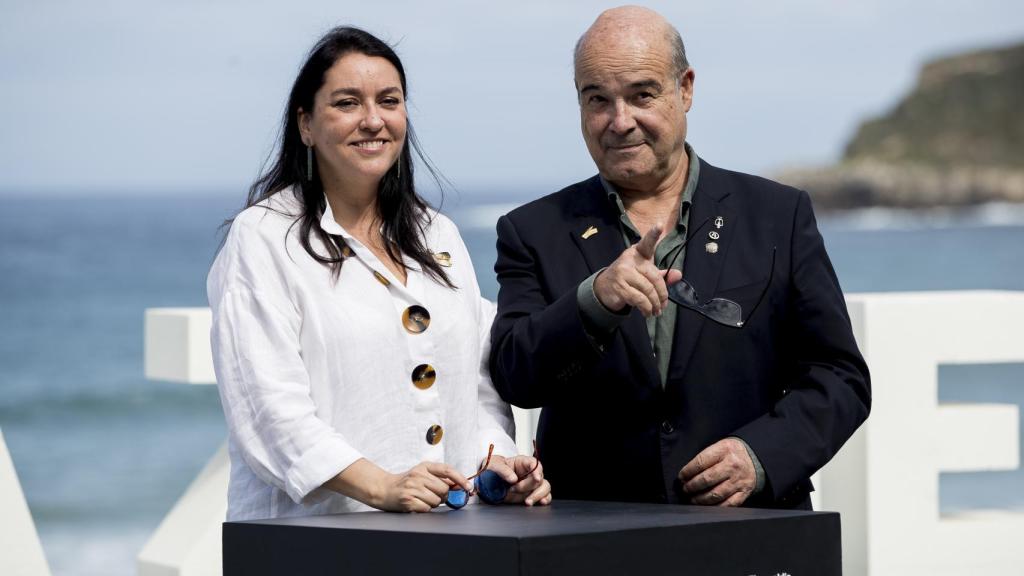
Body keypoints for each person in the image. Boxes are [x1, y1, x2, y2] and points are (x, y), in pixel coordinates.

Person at [489, 6, 870, 509]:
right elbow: (516, 376)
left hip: (751, 534)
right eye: (597, 99)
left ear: (685, 88)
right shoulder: (532, 230)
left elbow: (839, 377)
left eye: (642, 95)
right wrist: (594, 299)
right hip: (590, 537)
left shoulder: (778, 215)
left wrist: (760, 457)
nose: (619, 122)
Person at [208, 26, 550, 520]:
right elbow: (268, 414)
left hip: (445, 536)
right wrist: (382, 487)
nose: (373, 120)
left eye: (388, 101)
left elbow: (475, 383)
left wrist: (498, 465)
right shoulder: (262, 238)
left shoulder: (438, 234)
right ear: (305, 124)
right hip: (313, 541)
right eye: (347, 103)